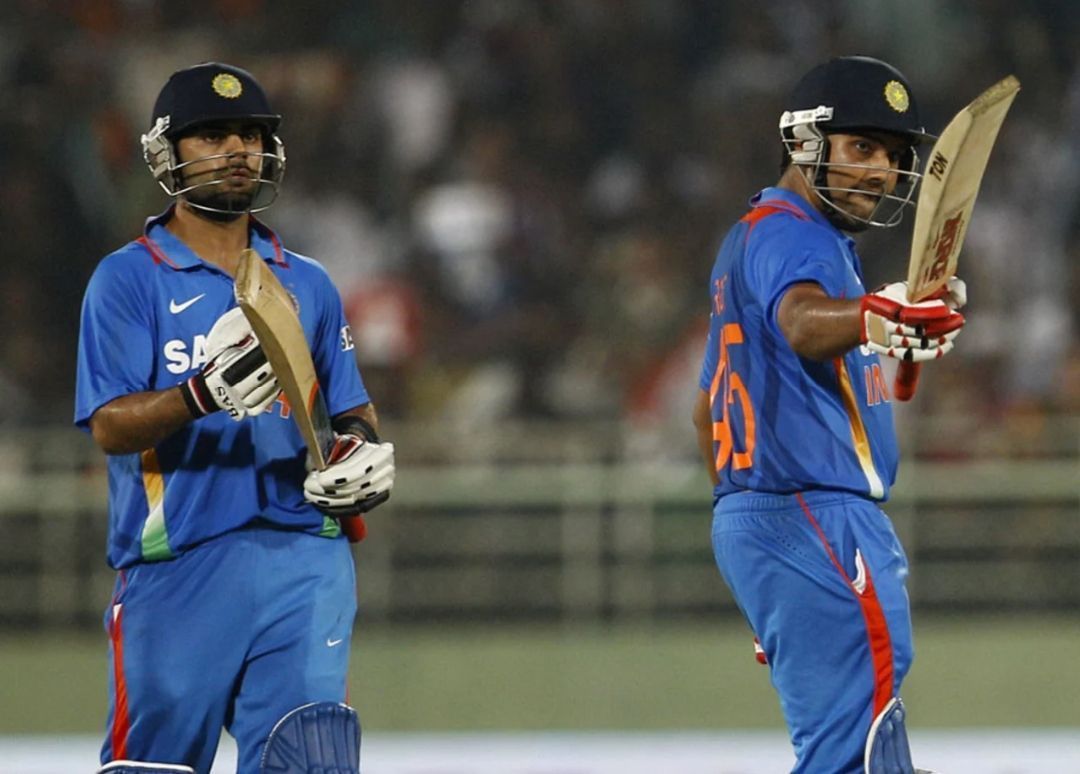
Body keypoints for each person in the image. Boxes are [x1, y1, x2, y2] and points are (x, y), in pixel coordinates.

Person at [74, 62, 395, 774]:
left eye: (249, 134)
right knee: (153, 768)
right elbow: (108, 425)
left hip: (306, 554)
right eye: (211, 135)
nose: (236, 149)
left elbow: (348, 406)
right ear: (167, 154)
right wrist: (200, 395)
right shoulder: (127, 279)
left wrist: (363, 450)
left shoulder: (306, 281)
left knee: (312, 755)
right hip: (178, 562)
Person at [692, 56, 966, 773]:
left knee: (865, 750)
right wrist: (881, 316)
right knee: (857, 757)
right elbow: (803, 324)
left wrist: (752, 548)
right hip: (814, 514)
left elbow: (704, 411)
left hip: (765, 519)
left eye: (895, 156)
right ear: (805, 143)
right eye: (863, 147)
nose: (881, 170)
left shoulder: (755, 238)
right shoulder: (797, 237)